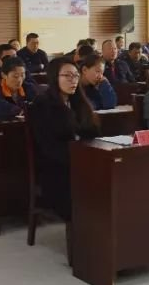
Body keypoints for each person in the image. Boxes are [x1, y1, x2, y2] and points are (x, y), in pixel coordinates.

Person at [27, 58, 100, 221]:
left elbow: (92, 134)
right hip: (56, 171)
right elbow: (48, 147)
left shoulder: (78, 101)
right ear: (54, 77)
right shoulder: (42, 104)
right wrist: (79, 160)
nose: (73, 80)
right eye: (67, 75)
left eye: (76, 76)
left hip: (79, 163)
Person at [0, 56, 34, 121]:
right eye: (15, 76)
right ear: (3, 75)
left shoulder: (28, 87)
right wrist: (19, 111)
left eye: (22, 75)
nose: (19, 80)